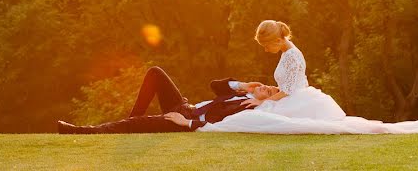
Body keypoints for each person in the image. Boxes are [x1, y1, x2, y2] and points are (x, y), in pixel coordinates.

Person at [196, 20, 418, 134]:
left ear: (276, 40)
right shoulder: (287, 54)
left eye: (266, 46)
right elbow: (285, 84)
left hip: (297, 99)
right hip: (290, 95)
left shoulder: (293, 55)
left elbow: (291, 89)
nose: (265, 51)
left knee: (267, 119)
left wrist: (264, 101)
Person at [56, 66, 279, 134]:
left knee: (137, 125)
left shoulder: (248, 110)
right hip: (185, 106)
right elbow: (214, 85)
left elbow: (221, 127)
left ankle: (82, 131)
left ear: (267, 102)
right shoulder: (241, 94)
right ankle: (133, 119)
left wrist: (187, 124)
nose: (267, 87)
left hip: (185, 120)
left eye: (270, 91)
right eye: (268, 85)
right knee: (155, 73)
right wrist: (241, 85)